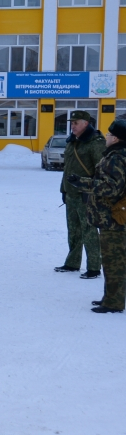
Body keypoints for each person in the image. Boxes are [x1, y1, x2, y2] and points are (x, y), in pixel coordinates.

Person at [68, 119, 126, 313]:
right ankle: (109, 297)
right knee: (112, 261)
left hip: (114, 219)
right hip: (112, 217)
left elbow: (111, 187)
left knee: (113, 262)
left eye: (109, 135)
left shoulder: (117, 157)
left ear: (116, 138)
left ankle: (114, 302)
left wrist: (84, 183)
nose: (106, 137)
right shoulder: (115, 154)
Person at [57, 111, 106, 278]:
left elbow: (101, 170)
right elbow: (67, 169)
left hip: (87, 194)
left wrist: (95, 192)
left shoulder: (95, 143)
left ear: (86, 123)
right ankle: (72, 263)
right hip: (71, 193)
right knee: (74, 230)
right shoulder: (72, 141)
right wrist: (63, 189)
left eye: (76, 122)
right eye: (72, 123)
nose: (72, 125)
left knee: (89, 231)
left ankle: (93, 267)